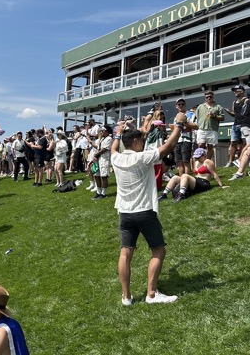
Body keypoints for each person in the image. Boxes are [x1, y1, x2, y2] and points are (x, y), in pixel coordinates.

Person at [111, 112, 184, 306]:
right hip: (144, 211)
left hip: (125, 213)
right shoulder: (142, 158)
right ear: (134, 141)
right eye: (142, 139)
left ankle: (126, 297)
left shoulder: (116, 159)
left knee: (125, 253)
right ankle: (151, 294)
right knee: (158, 251)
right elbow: (168, 146)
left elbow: (113, 149)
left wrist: (118, 134)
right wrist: (178, 124)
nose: (144, 141)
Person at [159, 148, 227, 202]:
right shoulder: (196, 162)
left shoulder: (207, 161)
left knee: (185, 175)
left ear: (204, 155)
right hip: (196, 181)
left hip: (204, 183)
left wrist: (221, 185)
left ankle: (181, 194)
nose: (197, 158)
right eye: (196, 157)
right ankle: (164, 194)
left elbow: (214, 174)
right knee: (175, 177)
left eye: (199, 157)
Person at [195, 91, 225, 160]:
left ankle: (207, 162)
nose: (208, 98)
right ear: (205, 98)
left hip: (212, 129)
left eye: (210, 97)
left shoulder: (218, 107)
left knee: (210, 146)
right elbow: (196, 116)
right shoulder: (200, 106)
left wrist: (214, 116)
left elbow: (222, 118)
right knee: (200, 145)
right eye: (207, 97)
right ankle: (200, 161)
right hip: (202, 128)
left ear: (213, 97)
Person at [223, 85, 247, 167]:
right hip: (236, 123)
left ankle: (243, 160)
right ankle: (230, 161)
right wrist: (228, 112)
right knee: (233, 142)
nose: (234, 92)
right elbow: (234, 114)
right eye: (234, 91)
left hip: (244, 124)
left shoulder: (246, 100)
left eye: (236, 90)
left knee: (244, 142)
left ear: (242, 91)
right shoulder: (234, 102)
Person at [91, 125, 112, 200]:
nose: (101, 132)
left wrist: (96, 154)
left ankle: (103, 193)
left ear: (107, 131)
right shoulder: (102, 139)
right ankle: (98, 191)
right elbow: (98, 148)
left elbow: (104, 149)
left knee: (104, 176)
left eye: (103, 131)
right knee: (96, 175)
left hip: (104, 159)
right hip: (98, 159)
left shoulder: (109, 139)